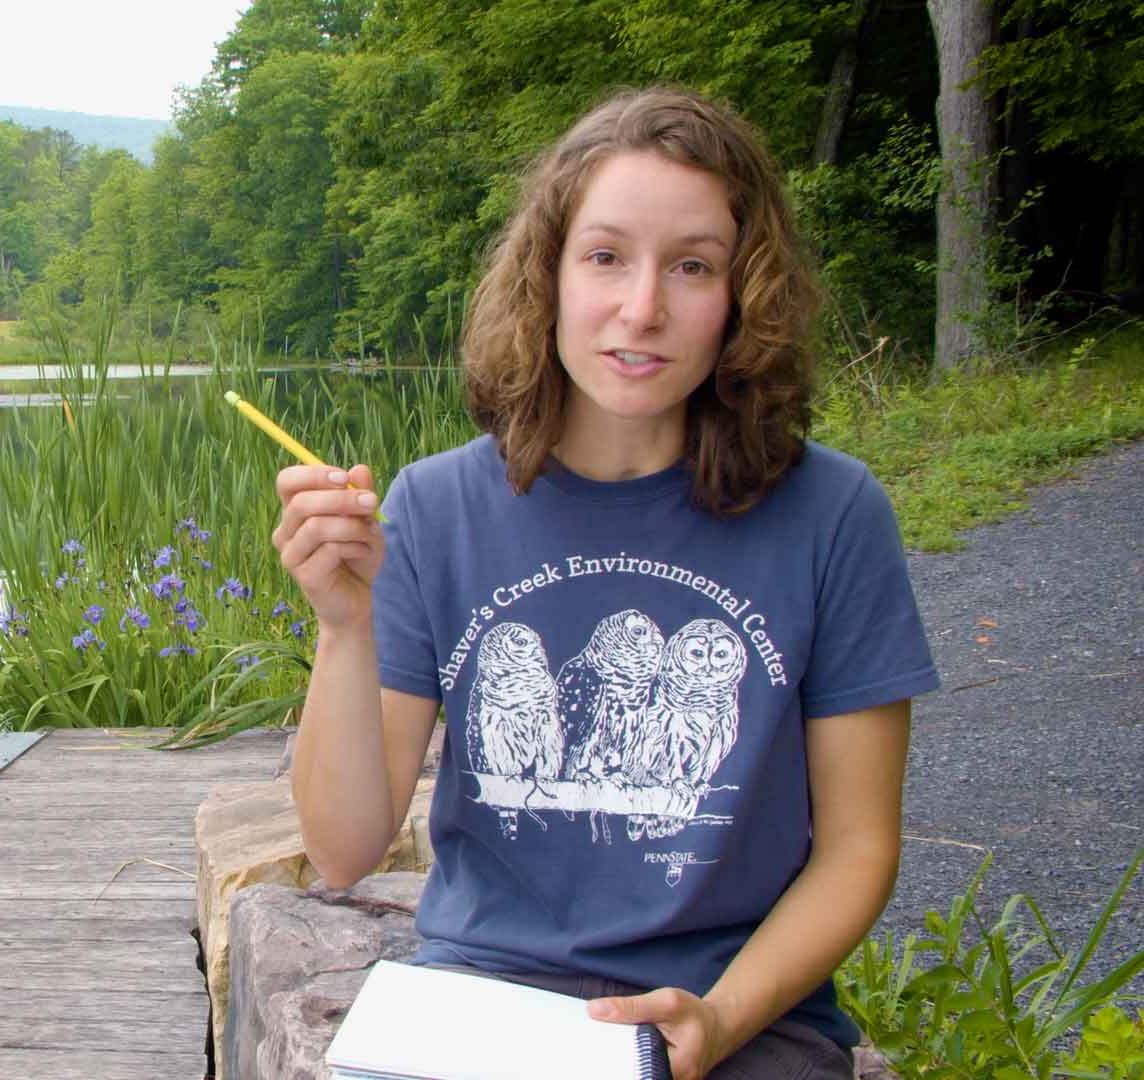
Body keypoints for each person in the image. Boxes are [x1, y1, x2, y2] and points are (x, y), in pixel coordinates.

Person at [271, 87, 938, 1080]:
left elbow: (856, 849)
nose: (642, 309)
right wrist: (343, 626)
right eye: (606, 256)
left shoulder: (831, 516)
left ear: (742, 295)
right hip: (478, 1006)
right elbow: (343, 851)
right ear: (548, 275)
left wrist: (720, 1018)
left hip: (739, 1014)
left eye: (693, 266)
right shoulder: (439, 507)